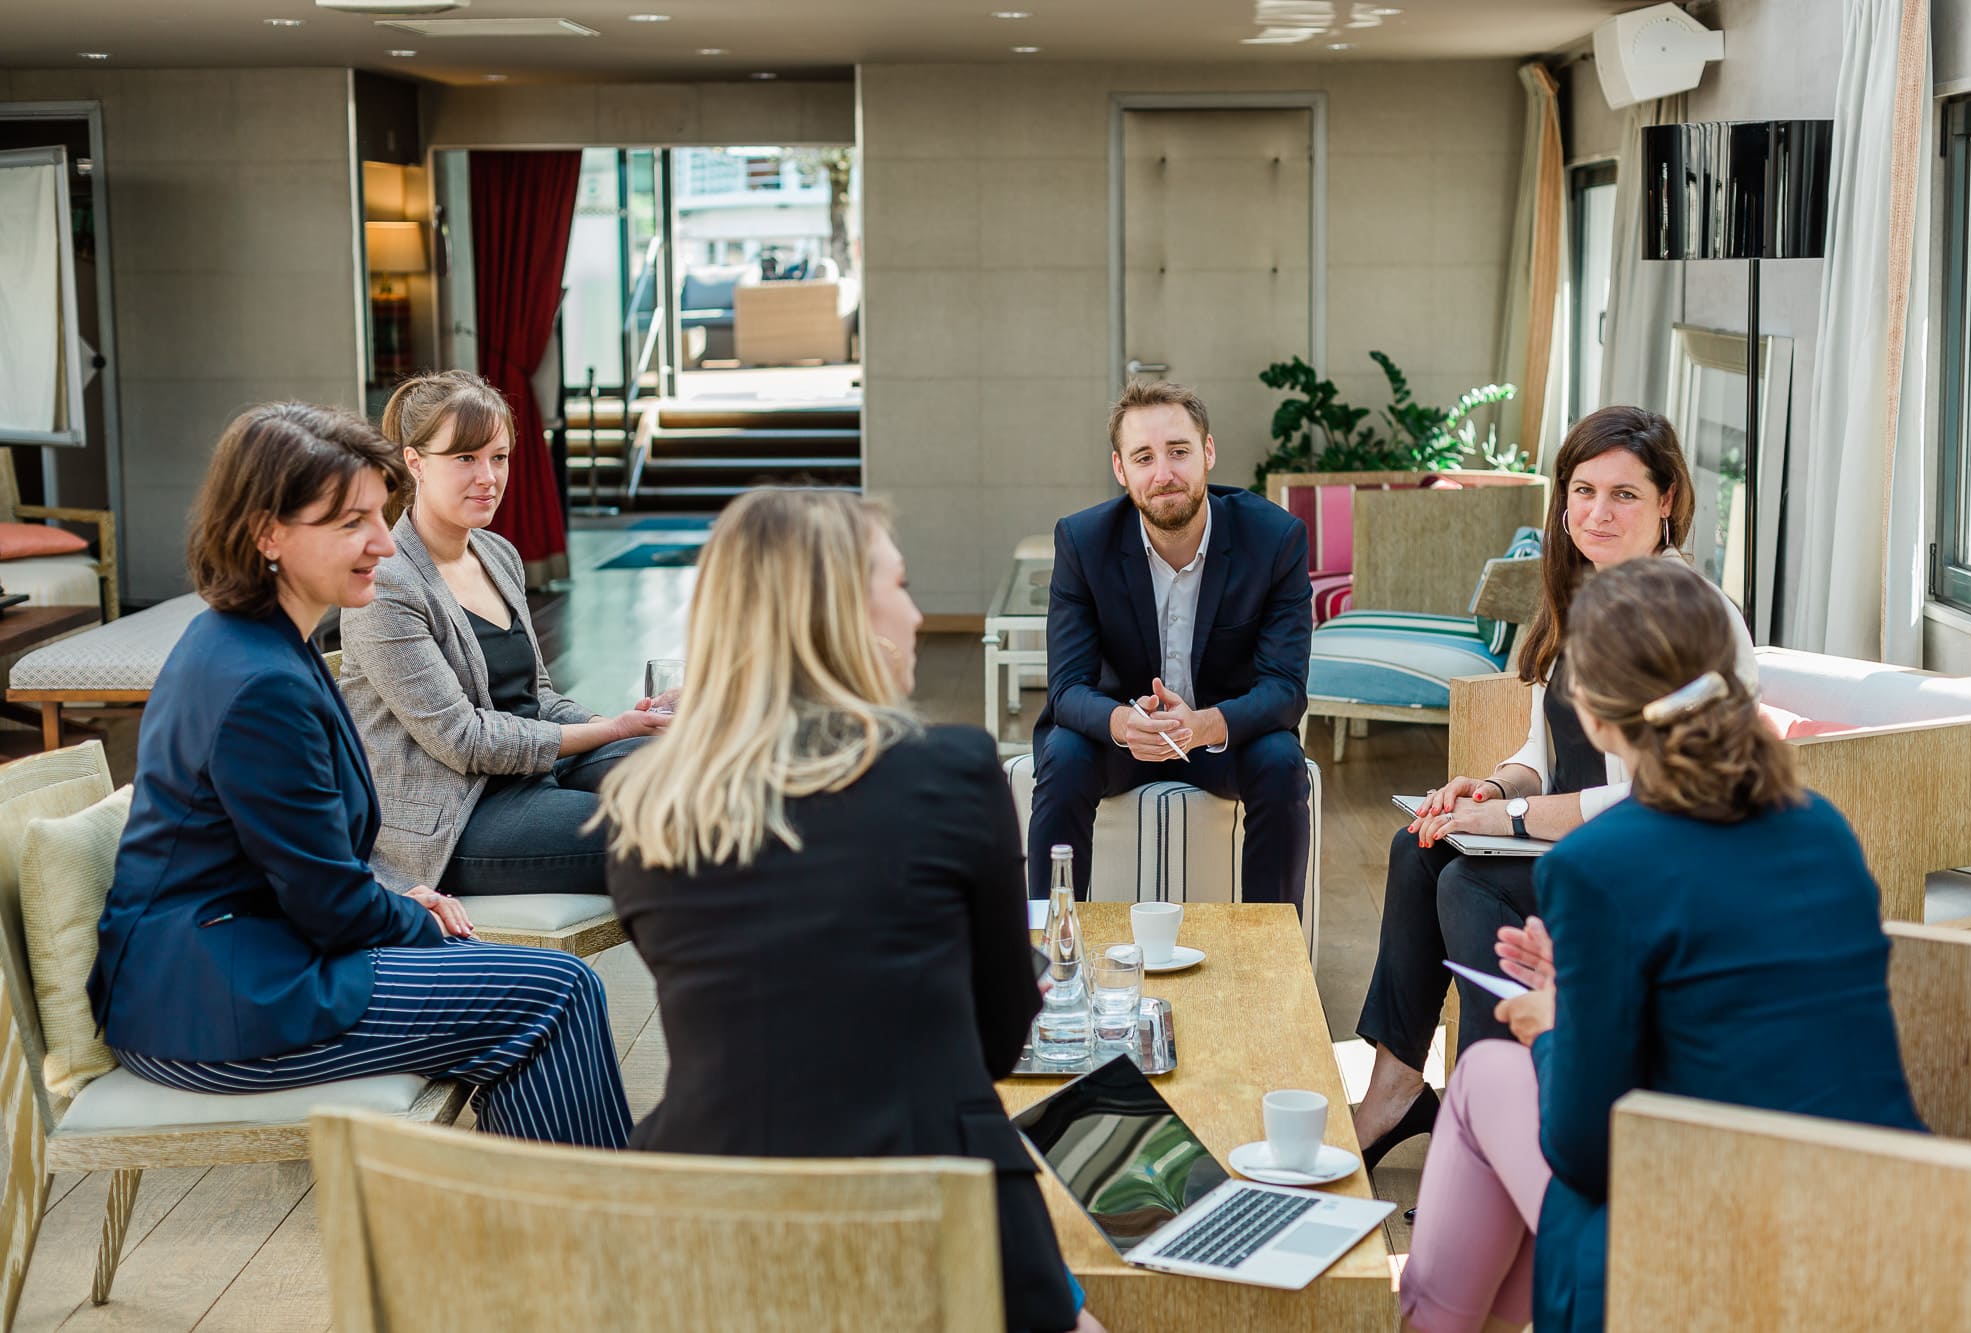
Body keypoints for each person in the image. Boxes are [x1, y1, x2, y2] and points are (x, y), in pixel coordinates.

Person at [602, 489, 1103, 1333]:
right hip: (932, 1211)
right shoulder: (952, 769)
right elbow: (1000, 1036)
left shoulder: (644, 807)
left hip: (701, 1221)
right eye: (899, 586)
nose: (915, 612)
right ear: (839, 614)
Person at [1397, 558, 1925, 1333]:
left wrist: (1554, 1024)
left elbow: (1581, 1147)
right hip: (1876, 1222)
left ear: (1594, 714)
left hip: (1696, 1239)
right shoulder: (1823, 828)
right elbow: (1730, 1012)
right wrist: (1581, 988)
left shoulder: (1598, 866)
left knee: (1482, 1074)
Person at [88, 403, 631, 1148]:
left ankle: (553, 1233)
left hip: (242, 958)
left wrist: (398, 898)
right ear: (266, 533)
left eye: (380, 514)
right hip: (220, 998)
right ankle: (592, 1236)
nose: (382, 541)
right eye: (350, 523)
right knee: (552, 993)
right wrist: (412, 911)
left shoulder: (259, 640)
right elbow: (330, 905)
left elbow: (298, 866)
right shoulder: (260, 681)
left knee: (525, 990)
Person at [1351, 406, 1756, 1168]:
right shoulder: (1586, 597)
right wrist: (1486, 787)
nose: (1597, 512)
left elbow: (1648, 797)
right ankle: (1398, 1089)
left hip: (1654, 862)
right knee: (1422, 847)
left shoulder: (1692, 616)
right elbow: (1543, 746)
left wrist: (1507, 816)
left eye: (1624, 494)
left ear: (1667, 500)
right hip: (1584, 847)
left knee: (1471, 883)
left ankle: (1504, 1115)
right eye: (1582, 490)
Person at [339, 370, 669, 896]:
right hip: (455, 816)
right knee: (663, 827)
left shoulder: (496, 554)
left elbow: (536, 698)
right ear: (415, 462)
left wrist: (633, 722)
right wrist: (611, 731)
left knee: (699, 776)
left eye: (499, 457)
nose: (488, 476)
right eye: (465, 458)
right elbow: (463, 742)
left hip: (535, 772)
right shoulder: (387, 585)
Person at [1028, 379, 1313, 908]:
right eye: (1143, 457)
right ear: (1121, 470)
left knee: (1279, 761)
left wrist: (1204, 724)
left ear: (1207, 452)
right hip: (1121, 736)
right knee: (1064, 756)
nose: (1163, 474)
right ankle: (1049, 960)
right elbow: (1067, 689)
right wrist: (1123, 722)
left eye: (1178, 452)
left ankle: (1273, 968)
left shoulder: (1276, 540)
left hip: (1221, 736)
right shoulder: (1082, 542)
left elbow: (1284, 689)